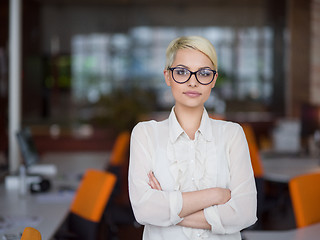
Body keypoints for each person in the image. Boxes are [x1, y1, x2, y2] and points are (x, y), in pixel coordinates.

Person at [128, 36, 257, 240]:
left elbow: (246, 213)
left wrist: (166, 210)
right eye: (181, 72)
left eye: (204, 73)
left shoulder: (232, 134)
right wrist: (216, 195)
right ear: (167, 76)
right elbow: (143, 211)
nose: (193, 81)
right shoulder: (145, 134)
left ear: (213, 80)